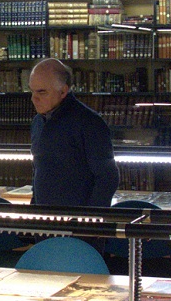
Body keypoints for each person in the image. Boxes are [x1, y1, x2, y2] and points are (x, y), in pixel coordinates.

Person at [29, 58, 119, 208]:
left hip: (78, 221)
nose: (34, 99)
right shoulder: (38, 122)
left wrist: (90, 220)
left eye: (42, 92)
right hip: (45, 218)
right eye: (31, 91)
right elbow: (39, 170)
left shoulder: (89, 122)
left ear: (63, 91)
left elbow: (107, 178)